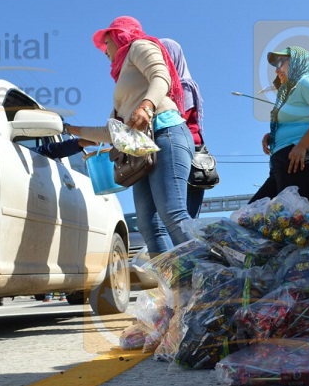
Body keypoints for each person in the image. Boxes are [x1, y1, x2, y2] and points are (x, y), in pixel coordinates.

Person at [64, 16, 195, 255]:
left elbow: (160, 75)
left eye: (107, 41)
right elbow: (114, 132)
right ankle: (177, 288)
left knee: (173, 214)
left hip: (165, 133)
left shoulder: (140, 46)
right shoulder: (122, 77)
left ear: (119, 35)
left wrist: (146, 106)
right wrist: (71, 131)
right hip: (140, 150)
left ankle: (215, 280)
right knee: (149, 226)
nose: (104, 49)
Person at [250, 46, 309, 204]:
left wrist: (302, 146)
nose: (277, 69)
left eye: (281, 62)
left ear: (298, 61)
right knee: (251, 214)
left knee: (289, 219)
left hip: (301, 158)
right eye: (275, 65)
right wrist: (272, 136)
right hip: (287, 161)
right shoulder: (291, 91)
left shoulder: (307, 81)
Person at [160, 38, 207, 218]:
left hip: (187, 155)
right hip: (178, 153)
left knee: (182, 218)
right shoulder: (168, 86)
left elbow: (178, 120)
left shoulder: (183, 85)